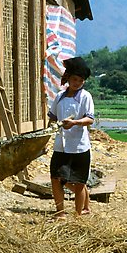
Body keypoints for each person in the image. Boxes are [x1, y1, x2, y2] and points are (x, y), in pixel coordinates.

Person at [47, 57, 95, 219]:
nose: (77, 83)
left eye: (81, 81)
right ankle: (60, 212)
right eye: (74, 79)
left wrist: (75, 122)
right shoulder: (60, 96)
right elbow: (52, 117)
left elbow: (90, 119)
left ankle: (78, 215)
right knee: (56, 178)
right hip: (61, 145)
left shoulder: (85, 97)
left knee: (79, 182)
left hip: (79, 146)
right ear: (67, 78)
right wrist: (50, 129)